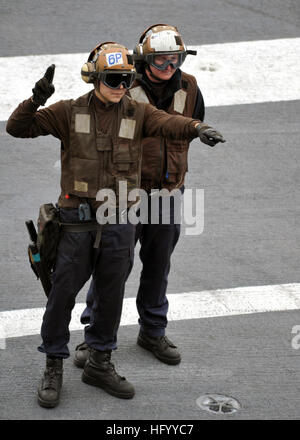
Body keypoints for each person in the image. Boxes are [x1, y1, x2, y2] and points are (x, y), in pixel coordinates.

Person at [6, 41, 225, 409]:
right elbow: (17, 128)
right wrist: (36, 98)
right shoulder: (67, 111)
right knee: (61, 295)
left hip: (120, 219)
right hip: (76, 218)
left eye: (126, 79)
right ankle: (53, 364)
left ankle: (99, 362)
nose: (120, 86)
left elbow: (169, 122)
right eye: (112, 79)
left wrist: (197, 127)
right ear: (94, 77)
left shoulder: (138, 113)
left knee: (110, 293)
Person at [74, 25, 207, 368]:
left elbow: (191, 126)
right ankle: (95, 337)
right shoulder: (123, 84)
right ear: (144, 58)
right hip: (121, 196)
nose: (168, 67)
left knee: (159, 264)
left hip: (166, 192)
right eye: (160, 60)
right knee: (111, 268)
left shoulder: (190, 86)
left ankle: (152, 330)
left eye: (174, 59)